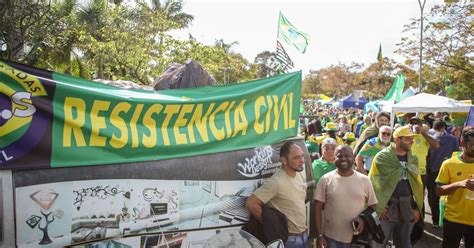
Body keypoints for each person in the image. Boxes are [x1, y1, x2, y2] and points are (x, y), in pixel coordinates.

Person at [245, 141, 308, 248]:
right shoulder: (276, 182)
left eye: (302, 156)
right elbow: (251, 203)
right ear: (284, 160)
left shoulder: (299, 173)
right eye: (296, 157)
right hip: (288, 240)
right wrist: (272, 226)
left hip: (304, 236)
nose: (302, 160)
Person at [369, 126, 423, 248]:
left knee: (404, 243)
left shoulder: (413, 158)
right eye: (408, 139)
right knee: (378, 242)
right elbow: (373, 182)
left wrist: (416, 208)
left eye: (412, 139)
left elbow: (416, 185)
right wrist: (378, 205)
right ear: (397, 139)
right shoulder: (382, 157)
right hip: (386, 208)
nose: (411, 142)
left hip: (407, 206)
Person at [315, 145, 378, 248]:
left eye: (347, 156)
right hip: (331, 239)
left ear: (353, 158)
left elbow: (373, 205)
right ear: (334, 158)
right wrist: (320, 235)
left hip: (357, 240)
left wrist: (363, 219)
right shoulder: (325, 179)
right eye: (339, 156)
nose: (343, 158)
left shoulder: (364, 180)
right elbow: (317, 207)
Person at [436, 126, 474, 248]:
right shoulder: (449, 164)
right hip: (453, 220)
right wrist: (458, 184)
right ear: (462, 142)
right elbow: (439, 191)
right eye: (473, 144)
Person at [426, 120, 460, 227]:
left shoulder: (429, 138)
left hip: (433, 170)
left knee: (433, 196)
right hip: (448, 170)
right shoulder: (453, 139)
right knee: (448, 195)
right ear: (443, 128)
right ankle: (446, 219)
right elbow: (456, 153)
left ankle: (436, 220)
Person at [408, 117, 439, 189]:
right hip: (408, 170)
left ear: (421, 125)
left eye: (417, 123)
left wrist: (422, 132)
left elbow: (436, 146)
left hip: (421, 171)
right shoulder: (407, 136)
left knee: (420, 196)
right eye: (413, 124)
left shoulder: (425, 137)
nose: (415, 125)